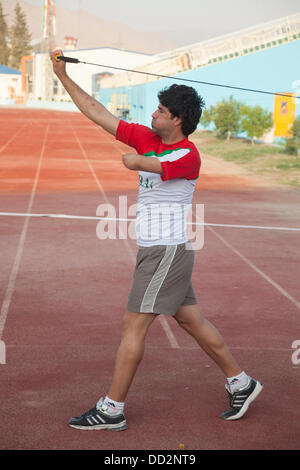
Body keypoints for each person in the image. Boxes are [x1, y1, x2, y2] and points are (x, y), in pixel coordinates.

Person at [50, 50, 263, 431]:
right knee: (191, 320)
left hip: (166, 253)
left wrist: (135, 158)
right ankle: (241, 383)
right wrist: (63, 76)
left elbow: (142, 163)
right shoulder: (148, 136)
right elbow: (98, 112)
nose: (153, 115)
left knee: (133, 327)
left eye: (161, 111)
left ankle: (111, 409)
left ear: (177, 119)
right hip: (161, 252)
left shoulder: (188, 155)